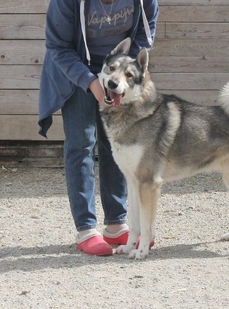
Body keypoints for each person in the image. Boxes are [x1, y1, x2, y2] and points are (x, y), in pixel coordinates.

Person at [38, 0, 159, 256]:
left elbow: (144, 34)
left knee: (115, 143)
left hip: (117, 72)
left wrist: (125, 73)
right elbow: (58, 46)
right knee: (81, 143)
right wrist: (92, 83)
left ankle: (116, 223)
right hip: (76, 70)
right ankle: (86, 229)